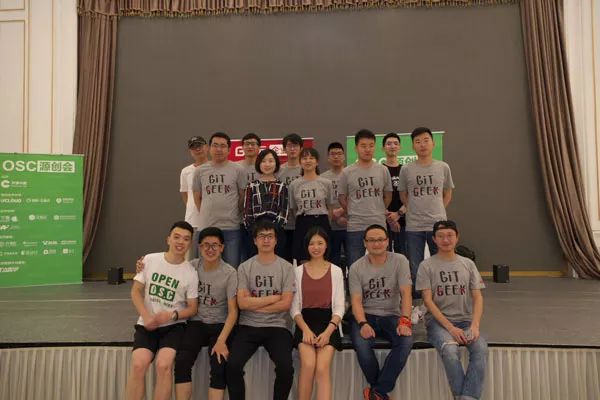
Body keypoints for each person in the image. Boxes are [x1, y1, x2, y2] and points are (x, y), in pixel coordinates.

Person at [126, 221, 199, 400]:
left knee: (164, 365)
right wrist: (146, 316)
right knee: (138, 365)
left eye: (186, 239)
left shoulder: (190, 272)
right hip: (147, 324)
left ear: (190, 244)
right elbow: (135, 291)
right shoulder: (149, 260)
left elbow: (193, 308)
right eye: (176, 237)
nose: (180, 242)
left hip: (173, 327)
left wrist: (172, 315)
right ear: (168, 239)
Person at [416, 220, 488, 400]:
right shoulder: (426, 266)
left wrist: (475, 326)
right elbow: (427, 301)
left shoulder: (468, 264)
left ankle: (467, 397)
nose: (446, 240)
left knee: (480, 349)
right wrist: (450, 328)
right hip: (438, 323)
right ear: (434, 239)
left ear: (457, 237)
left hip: (465, 320)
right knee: (450, 351)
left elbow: (478, 297)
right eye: (441, 236)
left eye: (450, 235)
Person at [226, 219, 296, 400]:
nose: (266, 240)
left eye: (270, 236)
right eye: (262, 236)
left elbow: (286, 304)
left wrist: (255, 303)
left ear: (276, 240)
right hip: (248, 326)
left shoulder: (287, 268)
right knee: (232, 366)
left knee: (286, 368)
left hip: (278, 326)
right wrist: (273, 298)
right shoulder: (244, 267)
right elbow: (242, 304)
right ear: (255, 240)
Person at [349, 224, 413, 400]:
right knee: (362, 345)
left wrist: (405, 320)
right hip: (366, 315)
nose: (376, 244)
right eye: (371, 240)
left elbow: (406, 293)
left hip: (392, 315)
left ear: (387, 241)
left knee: (406, 341)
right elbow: (356, 301)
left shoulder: (400, 260)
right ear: (365, 243)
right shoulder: (356, 267)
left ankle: (377, 391)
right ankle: (379, 392)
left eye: (380, 240)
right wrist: (363, 323)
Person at [291, 227, 345, 400]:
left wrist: (328, 332)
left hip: (329, 324)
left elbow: (339, 307)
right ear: (306, 246)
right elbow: (294, 308)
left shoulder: (336, 271)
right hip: (305, 323)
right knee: (308, 365)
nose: (316, 247)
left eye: (320, 243)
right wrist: (305, 330)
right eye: (312, 243)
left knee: (322, 368)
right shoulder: (297, 271)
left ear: (326, 245)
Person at [399, 127, 454, 295]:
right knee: (415, 266)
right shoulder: (406, 169)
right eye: (417, 142)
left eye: (425, 140)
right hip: (414, 225)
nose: (422, 144)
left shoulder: (443, 167)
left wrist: (438, 210)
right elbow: (403, 194)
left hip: (437, 225)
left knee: (440, 262)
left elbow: (447, 193)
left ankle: (439, 296)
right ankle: (418, 299)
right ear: (413, 146)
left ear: (433, 143)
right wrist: (413, 208)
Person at [339, 129, 393, 267]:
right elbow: (342, 197)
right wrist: (352, 210)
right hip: (355, 225)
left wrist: (379, 209)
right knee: (354, 265)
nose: (367, 149)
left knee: (382, 264)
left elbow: (388, 195)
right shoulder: (347, 172)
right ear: (356, 148)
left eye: (371, 145)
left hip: (378, 223)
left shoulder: (383, 170)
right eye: (363, 146)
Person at [193, 132, 246, 268]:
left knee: (232, 268)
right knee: (205, 269)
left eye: (223, 146)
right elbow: (197, 197)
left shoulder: (238, 170)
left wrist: (233, 213)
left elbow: (242, 196)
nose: (218, 149)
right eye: (215, 145)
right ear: (209, 148)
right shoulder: (200, 171)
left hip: (231, 228)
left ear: (229, 150)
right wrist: (207, 214)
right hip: (206, 227)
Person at [288, 148, 333, 264]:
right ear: (300, 162)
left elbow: (330, 206)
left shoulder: (326, 183)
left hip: (322, 221)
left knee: (323, 257)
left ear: (317, 162)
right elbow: (293, 208)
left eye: (311, 158)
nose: (308, 161)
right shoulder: (294, 184)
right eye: (304, 158)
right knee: (304, 258)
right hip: (303, 222)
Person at [242, 149, 289, 258]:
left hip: (276, 232)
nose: (267, 164)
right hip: (255, 231)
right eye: (263, 161)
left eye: (271, 161)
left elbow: (284, 212)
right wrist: (256, 230)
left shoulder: (282, 186)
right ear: (259, 163)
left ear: (276, 163)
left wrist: (273, 230)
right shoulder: (251, 186)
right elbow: (247, 212)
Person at [180, 136, 208, 259]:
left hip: (211, 221)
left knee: (208, 258)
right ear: (190, 151)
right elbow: (185, 194)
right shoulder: (186, 171)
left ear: (206, 147)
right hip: (192, 222)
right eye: (194, 147)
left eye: (200, 146)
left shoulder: (214, 168)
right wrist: (193, 209)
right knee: (190, 260)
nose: (197, 149)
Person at [277, 133, 304, 263]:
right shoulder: (278, 171)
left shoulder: (307, 168)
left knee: (302, 262)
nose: (292, 149)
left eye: (295, 146)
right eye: (289, 146)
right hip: (284, 224)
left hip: (302, 222)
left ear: (301, 148)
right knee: (284, 261)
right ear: (284, 149)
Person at [321, 142, 348, 269]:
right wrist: (334, 215)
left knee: (353, 261)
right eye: (333, 154)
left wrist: (342, 211)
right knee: (333, 263)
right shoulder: (322, 178)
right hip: (331, 226)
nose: (336, 156)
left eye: (339, 153)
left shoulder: (350, 174)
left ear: (344, 156)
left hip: (350, 225)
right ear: (328, 157)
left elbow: (356, 197)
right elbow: (321, 202)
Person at [237, 133, 263, 263]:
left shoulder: (265, 166)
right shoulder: (236, 167)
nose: (250, 146)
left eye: (253, 144)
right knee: (243, 257)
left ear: (259, 147)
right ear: (242, 147)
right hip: (240, 220)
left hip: (261, 219)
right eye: (247, 144)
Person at [381, 132, 407, 256]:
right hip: (383, 220)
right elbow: (375, 197)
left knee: (403, 257)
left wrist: (399, 214)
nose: (392, 146)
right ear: (383, 148)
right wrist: (389, 218)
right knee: (383, 257)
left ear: (400, 147)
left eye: (396, 143)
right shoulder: (379, 170)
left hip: (404, 220)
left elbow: (412, 196)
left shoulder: (406, 170)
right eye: (389, 144)